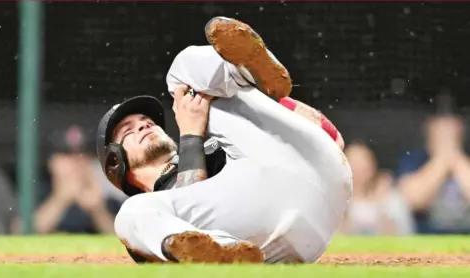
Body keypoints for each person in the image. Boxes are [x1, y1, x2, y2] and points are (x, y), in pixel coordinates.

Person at [96, 17, 352, 263]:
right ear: (115, 163)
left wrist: (282, 108)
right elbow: (192, 199)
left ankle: (245, 70)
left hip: (317, 176)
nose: (142, 124)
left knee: (181, 80)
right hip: (263, 239)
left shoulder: (213, 131)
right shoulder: (156, 207)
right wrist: (191, 135)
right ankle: (221, 253)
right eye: (128, 130)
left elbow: (332, 139)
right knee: (129, 215)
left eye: (146, 121)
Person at [34, 125, 123, 234]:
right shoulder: (36, 192)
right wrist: (59, 200)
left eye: (82, 155)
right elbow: (18, 232)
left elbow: (123, 244)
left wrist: (98, 210)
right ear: (52, 162)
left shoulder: (107, 197)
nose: (76, 162)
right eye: (68, 155)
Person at [395, 112, 470, 234]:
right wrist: (441, 162)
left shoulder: (466, 160)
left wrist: (457, 160)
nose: (446, 139)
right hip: (425, 240)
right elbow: (410, 201)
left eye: (451, 135)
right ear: (429, 138)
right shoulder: (414, 160)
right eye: (440, 135)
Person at [341, 142, 414, 235]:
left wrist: (382, 205)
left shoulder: (391, 198)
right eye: (352, 164)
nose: (357, 170)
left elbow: (402, 237)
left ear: (372, 166)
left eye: (361, 165)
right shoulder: (335, 201)